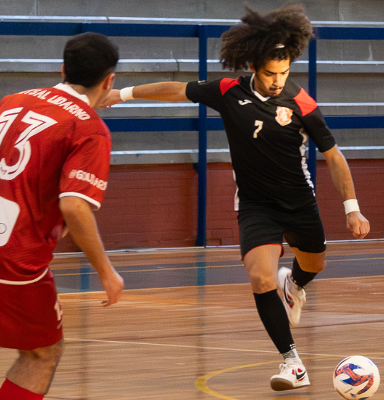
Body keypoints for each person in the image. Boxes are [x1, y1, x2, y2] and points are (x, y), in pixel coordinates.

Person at [103, 4, 369, 391]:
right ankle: (292, 364)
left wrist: (352, 208)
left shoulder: (302, 104)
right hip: (256, 205)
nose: (277, 81)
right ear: (255, 66)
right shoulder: (229, 91)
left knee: (314, 263)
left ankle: (294, 285)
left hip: (298, 202)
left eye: (284, 73)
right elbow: (177, 90)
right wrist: (122, 94)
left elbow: (334, 155)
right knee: (260, 277)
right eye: (271, 73)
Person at [0, 32, 124, 400]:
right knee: (42, 353)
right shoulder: (89, 128)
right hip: (14, 256)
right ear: (109, 81)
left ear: (62, 69)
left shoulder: (11, 101)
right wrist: (106, 271)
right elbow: (74, 205)